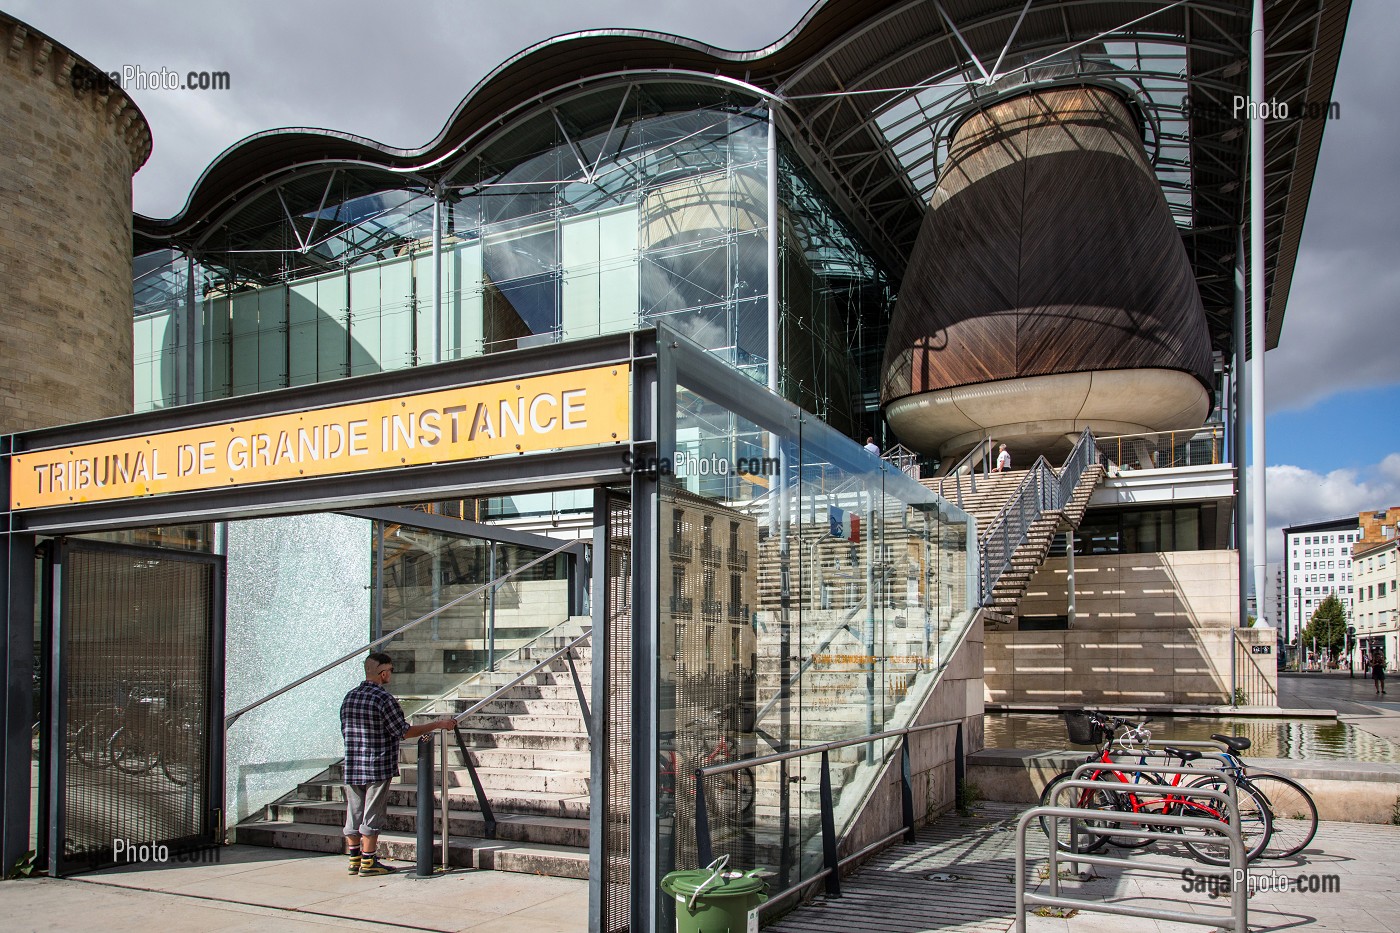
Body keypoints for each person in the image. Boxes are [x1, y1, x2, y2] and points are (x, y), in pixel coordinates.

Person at [341, 652, 455, 875]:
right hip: (377, 763)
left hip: (353, 763)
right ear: (383, 673)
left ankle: (354, 858)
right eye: (391, 671)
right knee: (372, 814)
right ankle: (368, 861)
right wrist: (437, 724)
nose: (391, 675)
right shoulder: (384, 699)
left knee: (353, 812)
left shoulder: (349, 697)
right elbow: (404, 731)